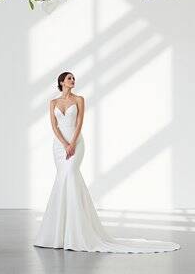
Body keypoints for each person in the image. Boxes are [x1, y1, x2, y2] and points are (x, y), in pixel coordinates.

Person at [33, 71, 180, 253]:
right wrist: (64, 144)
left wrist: (71, 144)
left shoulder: (79, 99)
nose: (73, 80)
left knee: (71, 175)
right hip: (59, 146)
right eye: (69, 78)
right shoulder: (53, 103)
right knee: (62, 179)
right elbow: (54, 126)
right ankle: (57, 233)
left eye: (73, 78)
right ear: (62, 82)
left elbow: (79, 124)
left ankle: (78, 232)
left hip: (76, 143)